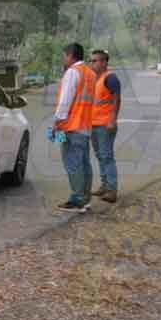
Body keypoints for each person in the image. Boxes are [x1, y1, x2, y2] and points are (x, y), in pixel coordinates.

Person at [53, 43, 97, 213]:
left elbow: (65, 100)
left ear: (70, 55)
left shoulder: (72, 72)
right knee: (84, 163)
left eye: (64, 56)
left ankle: (77, 199)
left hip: (70, 126)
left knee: (72, 162)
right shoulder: (91, 74)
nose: (63, 59)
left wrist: (57, 122)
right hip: (85, 126)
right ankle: (85, 198)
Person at [89, 49, 120, 203]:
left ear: (104, 62)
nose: (92, 63)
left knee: (107, 156)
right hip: (94, 124)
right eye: (91, 61)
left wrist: (113, 120)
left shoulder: (110, 78)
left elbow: (116, 99)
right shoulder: (95, 78)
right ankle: (104, 185)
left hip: (105, 125)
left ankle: (112, 190)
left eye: (95, 61)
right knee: (100, 155)